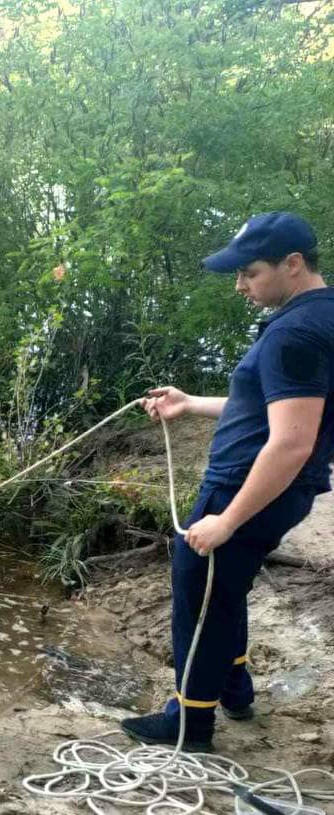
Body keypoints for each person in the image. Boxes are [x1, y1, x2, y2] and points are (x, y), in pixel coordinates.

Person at [121, 211, 334, 752]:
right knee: (223, 588)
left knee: (201, 595)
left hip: (245, 489)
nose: (240, 285)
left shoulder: (297, 332)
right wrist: (189, 404)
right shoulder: (316, 317)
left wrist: (227, 518)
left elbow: (290, 441)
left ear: (292, 264)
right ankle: (235, 686)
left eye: (249, 272)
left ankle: (189, 724)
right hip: (264, 488)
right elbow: (264, 408)